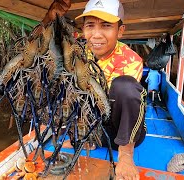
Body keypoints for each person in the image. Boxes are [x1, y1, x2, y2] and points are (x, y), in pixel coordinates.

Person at [42, 0, 147, 179]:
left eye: (106, 26)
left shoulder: (131, 60)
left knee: (125, 87)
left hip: (120, 131)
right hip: (89, 129)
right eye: (90, 25)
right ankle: (87, 141)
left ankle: (126, 154)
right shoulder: (80, 52)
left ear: (120, 31)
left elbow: (112, 103)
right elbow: (47, 45)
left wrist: (125, 154)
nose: (96, 35)